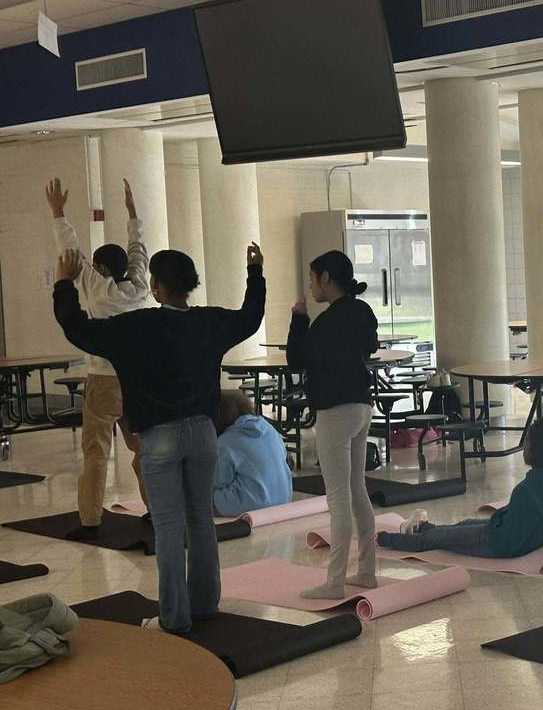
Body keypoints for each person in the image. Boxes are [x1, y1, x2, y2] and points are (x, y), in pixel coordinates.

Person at [52, 242, 266, 633]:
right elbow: (251, 318)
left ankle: (174, 617)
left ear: (155, 285)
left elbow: (77, 328)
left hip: (159, 436)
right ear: (189, 285)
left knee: (169, 528)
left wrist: (65, 285)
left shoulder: (136, 327)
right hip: (203, 433)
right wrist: (255, 273)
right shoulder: (209, 322)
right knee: (201, 519)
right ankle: (204, 605)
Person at [46, 177, 149, 540]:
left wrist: (58, 212)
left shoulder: (97, 289)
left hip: (103, 382)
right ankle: (155, 508)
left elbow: (71, 251)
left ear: (102, 269)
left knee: (95, 453)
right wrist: (133, 214)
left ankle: (90, 520)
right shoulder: (138, 289)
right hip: (137, 383)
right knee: (144, 449)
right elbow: (139, 253)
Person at [378, 415, 543, 570]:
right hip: (508, 529)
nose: (524, 448)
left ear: (541, 450)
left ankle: (390, 540)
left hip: (501, 542)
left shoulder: (538, 480)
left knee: (439, 541)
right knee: (463, 525)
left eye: (528, 444)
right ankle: (428, 527)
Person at [287, 250, 380, 600]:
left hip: (334, 411)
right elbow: (369, 347)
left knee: (338, 496)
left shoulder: (324, 323)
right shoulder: (362, 311)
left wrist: (298, 319)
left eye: (313, 279)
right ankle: (367, 572)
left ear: (326, 278)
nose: (311, 287)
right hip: (361, 406)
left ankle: (335, 581)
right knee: (357, 491)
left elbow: (296, 360)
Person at [212, 391, 293, 517]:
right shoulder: (269, 428)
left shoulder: (225, 442)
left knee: (204, 498)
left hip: (253, 506)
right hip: (284, 498)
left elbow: (219, 481)